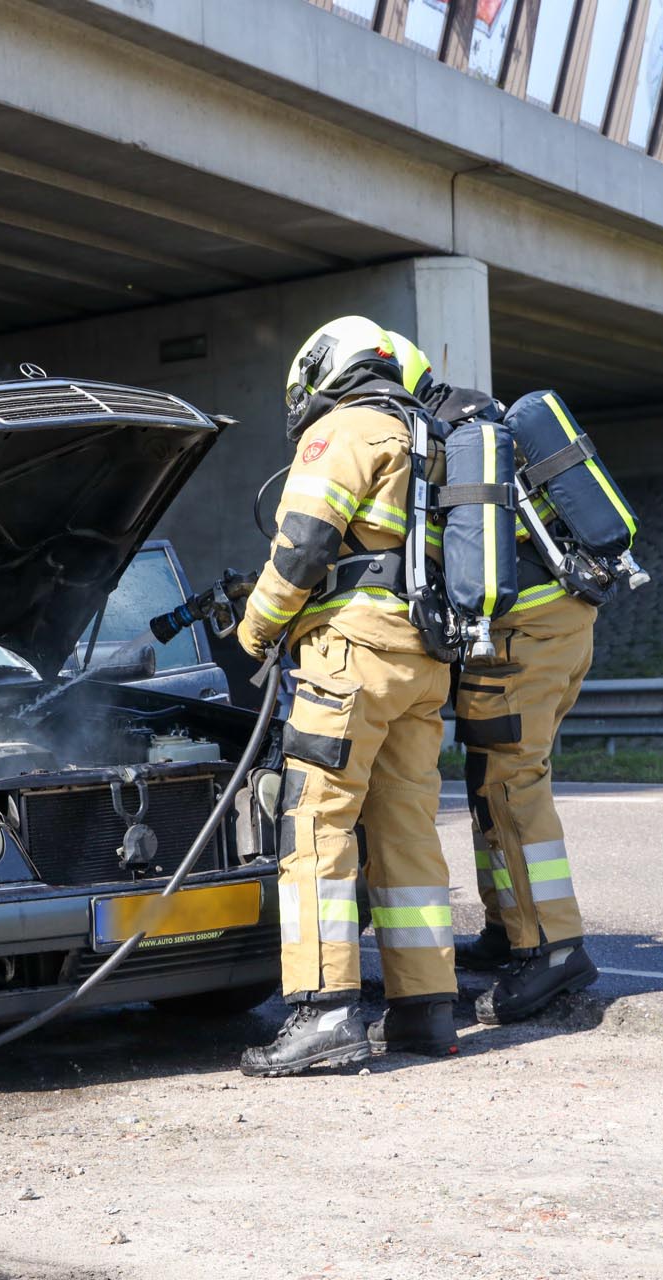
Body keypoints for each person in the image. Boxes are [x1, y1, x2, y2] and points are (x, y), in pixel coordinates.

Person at [235, 316, 460, 1078]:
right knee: (407, 832)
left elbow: (303, 543)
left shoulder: (349, 427)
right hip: (423, 661)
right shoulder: (429, 435)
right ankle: (426, 1009)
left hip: (351, 653)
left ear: (322, 370)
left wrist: (255, 630)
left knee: (316, 827)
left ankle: (325, 1012)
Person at [387, 331, 600, 1024]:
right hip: (561, 624)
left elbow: (427, 553)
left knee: (511, 785)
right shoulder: (484, 416)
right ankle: (510, 928)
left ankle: (555, 949)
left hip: (519, 638)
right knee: (493, 782)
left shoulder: (437, 438)